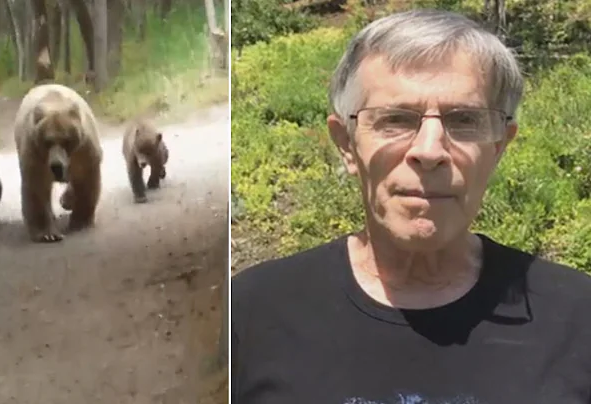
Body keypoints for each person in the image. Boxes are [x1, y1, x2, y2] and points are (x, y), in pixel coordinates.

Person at [231, 8, 591, 404]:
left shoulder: (577, 317)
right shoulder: (249, 315)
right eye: (396, 119)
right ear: (347, 144)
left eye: (465, 120)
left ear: (500, 146)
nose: (429, 150)